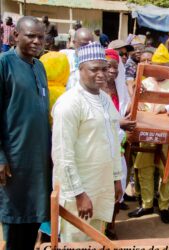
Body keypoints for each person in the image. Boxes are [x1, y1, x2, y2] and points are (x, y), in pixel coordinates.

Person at [52, 42, 123, 242]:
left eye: (104, 68)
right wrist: (79, 193)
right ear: (80, 69)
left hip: (102, 185)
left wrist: (116, 178)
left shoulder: (105, 99)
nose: (101, 74)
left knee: (96, 238)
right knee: (76, 239)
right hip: (80, 190)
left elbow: (113, 142)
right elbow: (62, 154)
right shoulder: (69, 103)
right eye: (94, 69)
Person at [0, 16, 51, 250]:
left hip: (38, 161)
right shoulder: (4, 64)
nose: (36, 41)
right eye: (30, 35)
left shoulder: (39, 67)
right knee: (14, 218)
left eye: (40, 37)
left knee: (33, 218)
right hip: (14, 160)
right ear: (15, 36)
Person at [128, 44, 169, 224]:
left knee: (167, 171)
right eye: (155, 66)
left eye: (162, 66)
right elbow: (138, 105)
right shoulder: (145, 82)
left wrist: (164, 108)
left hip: (168, 132)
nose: (159, 70)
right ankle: (147, 204)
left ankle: (164, 206)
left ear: (168, 67)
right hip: (147, 130)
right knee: (144, 168)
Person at [102, 49, 135, 239]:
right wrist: (118, 123)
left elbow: (129, 112)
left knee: (118, 187)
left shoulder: (121, 89)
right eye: (108, 66)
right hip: (99, 148)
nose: (112, 71)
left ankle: (112, 225)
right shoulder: (94, 89)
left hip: (119, 148)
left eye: (115, 67)